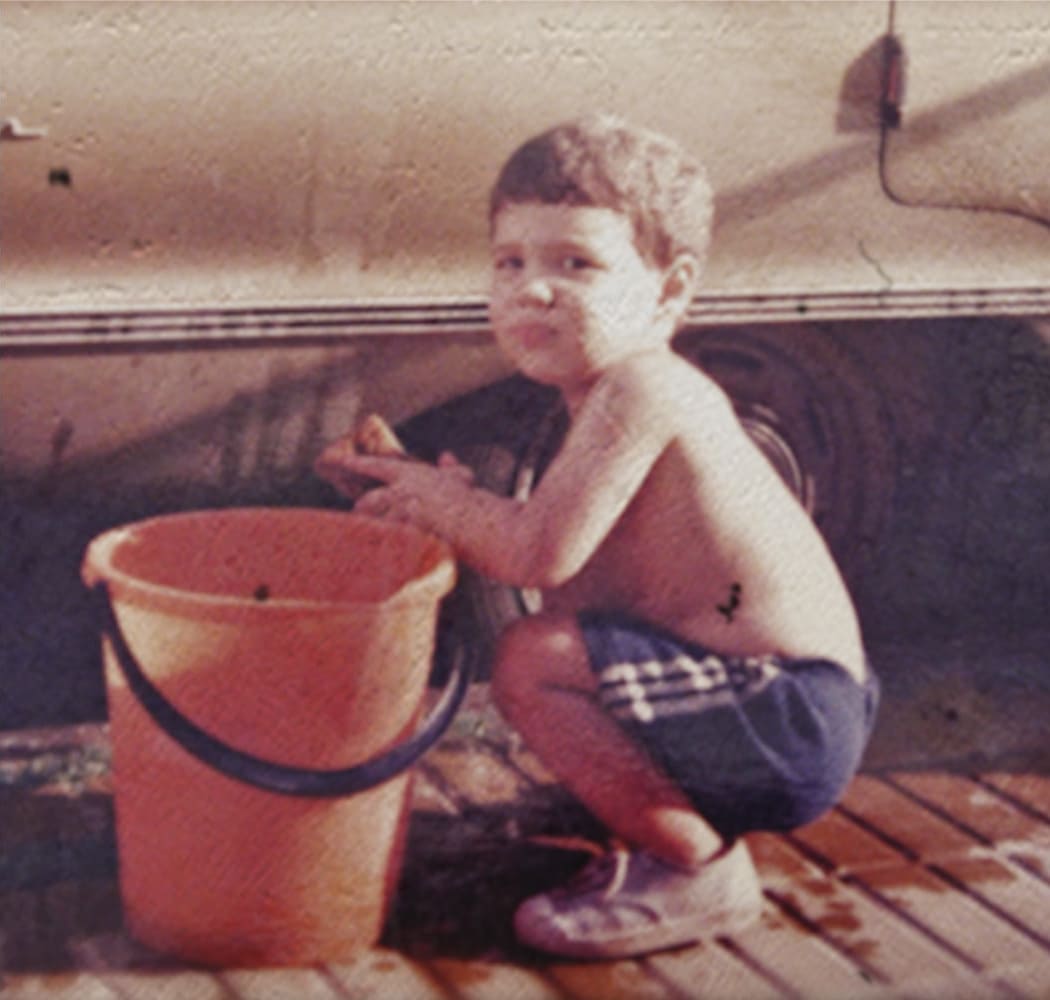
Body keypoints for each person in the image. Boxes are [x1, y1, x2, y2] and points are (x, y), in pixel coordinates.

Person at [315, 114, 880, 959]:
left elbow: (535, 558)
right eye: (511, 261)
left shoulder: (645, 388)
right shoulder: (600, 398)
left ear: (669, 289)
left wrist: (448, 507)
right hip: (773, 705)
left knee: (530, 662)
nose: (532, 288)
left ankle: (697, 868)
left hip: (783, 710)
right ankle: (667, 814)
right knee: (552, 647)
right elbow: (581, 589)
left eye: (575, 263)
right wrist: (434, 499)